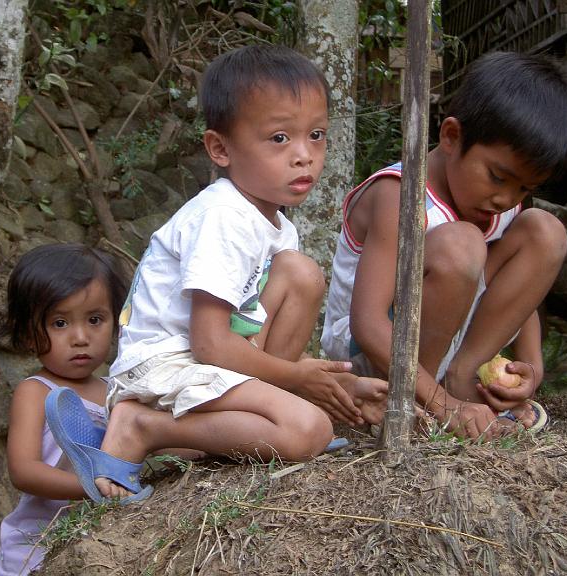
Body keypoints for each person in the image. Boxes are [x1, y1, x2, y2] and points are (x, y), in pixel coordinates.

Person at [45, 44, 388, 502]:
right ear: (220, 148)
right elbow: (210, 342)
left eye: (317, 135)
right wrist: (298, 383)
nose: (304, 155)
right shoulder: (223, 217)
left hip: (209, 357)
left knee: (301, 274)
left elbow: (243, 327)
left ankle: (217, 432)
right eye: (280, 138)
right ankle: (140, 425)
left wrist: (331, 384)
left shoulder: (277, 227)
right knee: (309, 430)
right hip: (168, 363)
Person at [321, 51, 567, 440]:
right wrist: (444, 406)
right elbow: (368, 323)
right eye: (497, 177)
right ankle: (414, 404)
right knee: (463, 244)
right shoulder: (400, 195)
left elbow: (520, 298)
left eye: (524, 187)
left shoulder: (499, 201)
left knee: (545, 232)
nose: (506, 198)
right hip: (372, 354)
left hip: (444, 346)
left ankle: (460, 381)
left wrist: (529, 369)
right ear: (451, 136)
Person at [0, 243, 129, 576]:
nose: (80, 337)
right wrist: (93, 487)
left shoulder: (117, 393)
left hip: (97, 543)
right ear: (27, 332)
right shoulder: (35, 392)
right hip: (33, 552)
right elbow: (24, 471)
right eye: (60, 323)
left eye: (95, 319)